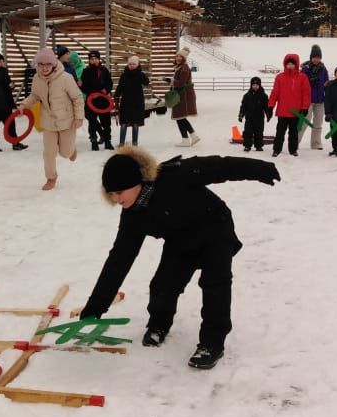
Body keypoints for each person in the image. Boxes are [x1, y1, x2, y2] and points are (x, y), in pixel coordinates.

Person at [79, 147, 281, 370]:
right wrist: (94, 308)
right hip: (181, 240)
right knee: (163, 285)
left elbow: (221, 166)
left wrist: (261, 169)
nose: (116, 199)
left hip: (215, 229)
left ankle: (212, 344)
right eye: (111, 194)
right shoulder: (133, 216)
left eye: (120, 192)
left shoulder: (174, 175)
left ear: (137, 181)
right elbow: (119, 260)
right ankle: (159, 325)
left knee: (215, 285)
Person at [19, 47, 85, 190]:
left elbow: (77, 97)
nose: (44, 68)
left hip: (66, 120)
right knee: (49, 153)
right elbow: (35, 95)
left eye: (47, 64)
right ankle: (51, 178)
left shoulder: (66, 78)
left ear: (53, 64)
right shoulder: (37, 78)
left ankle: (71, 149)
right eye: (40, 64)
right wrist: (24, 104)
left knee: (65, 152)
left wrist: (79, 117)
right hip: (48, 121)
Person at [267, 53, 311, 158]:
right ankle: (276, 149)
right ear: (285, 65)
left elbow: (306, 94)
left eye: (292, 64)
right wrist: (270, 106)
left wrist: (305, 108)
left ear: (296, 65)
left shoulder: (302, 77)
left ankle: (293, 150)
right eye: (288, 64)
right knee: (280, 133)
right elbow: (275, 93)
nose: (290, 66)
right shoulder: (280, 77)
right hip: (282, 111)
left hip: (296, 112)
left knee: (294, 133)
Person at [81, 49, 114, 151]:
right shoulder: (85, 71)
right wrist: (91, 93)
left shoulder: (104, 70)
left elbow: (110, 83)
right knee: (92, 122)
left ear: (99, 59)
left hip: (103, 101)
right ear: (89, 60)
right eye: (92, 59)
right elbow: (83, 86)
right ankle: (94, 141)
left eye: (96, 58)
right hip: (91, 102)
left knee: (106, 123)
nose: (94, 60)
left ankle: (108, 141)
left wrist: (106, 90)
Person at [113, 54, 149, 147]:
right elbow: (120, 87)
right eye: (130, 64)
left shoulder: (140, 74)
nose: (131, 65)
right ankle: (121, 143)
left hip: (137, 102)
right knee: (124, 123)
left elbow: (146, 82)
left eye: (134, 64)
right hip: (126, 102)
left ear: (137, 64)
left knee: (135, 123)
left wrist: (142, 74)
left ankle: (135, 143)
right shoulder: (124, 75)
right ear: (127, 65)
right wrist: (116, 96)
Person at [299, 44, 329, 149]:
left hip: (320, 101)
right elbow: (300, 85)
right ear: (311, 58)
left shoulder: (323, 70)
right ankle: (295, 142)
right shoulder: (305, 70)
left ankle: (316, 143)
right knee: (304, 123)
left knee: (318, 123)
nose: (316, 59)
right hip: (308, 101)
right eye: (314, 57)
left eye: (318, 57)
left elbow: (326, 84)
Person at [169, 47, 199, 146]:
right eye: (177, 56)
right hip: (181, 95)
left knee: (180, 117)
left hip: (184, 96)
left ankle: (188, 139)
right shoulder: (179, 67)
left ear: (184, 58)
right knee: (180, 117)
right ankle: (191, 137)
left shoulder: (184, 68)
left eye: (180, 57)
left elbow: (181, 82)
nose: (178, 58)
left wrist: (170, 81)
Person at [238, 76, 271, 152]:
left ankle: (258, 146)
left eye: (257, 85)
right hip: (249, 118)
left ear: (259, 85)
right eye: (253, 85)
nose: (255, 86)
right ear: (251, 85)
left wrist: (268, 114)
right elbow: (243, 107)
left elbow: (266, 107)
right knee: (248, 132)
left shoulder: (263, 96)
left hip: (259, 119)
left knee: (259, 133)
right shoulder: (247, 96)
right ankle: (247, 146)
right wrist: (241, 115)